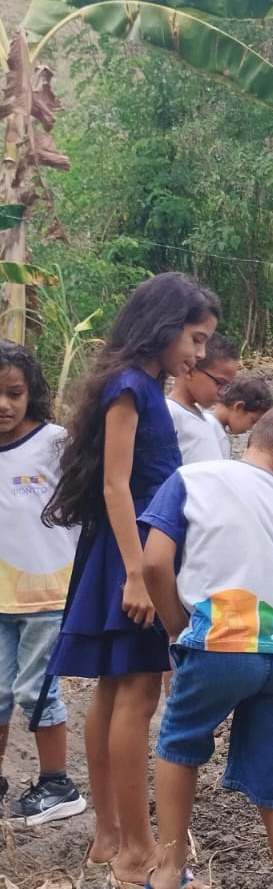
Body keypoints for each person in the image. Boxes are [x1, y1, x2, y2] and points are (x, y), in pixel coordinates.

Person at [44, 272, 220, 888]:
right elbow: (117, 484)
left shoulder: (137, 383)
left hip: (130, 550)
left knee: (115, 692)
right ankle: (136, 852)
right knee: (137, 695)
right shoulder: (131, 386)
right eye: (195, 339)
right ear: (164, 325)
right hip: (135, 552)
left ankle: (111, 835)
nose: (198, 354)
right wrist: (142, 574)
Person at [140, 405, 273, 889]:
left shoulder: (192, 478)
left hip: (221, 642)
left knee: (179, 744)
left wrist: (180, 632)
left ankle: (170, 869)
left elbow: (155, 565)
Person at [0, 342, 83, 823]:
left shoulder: (55, 442)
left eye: (14, 393)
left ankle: (57, 783)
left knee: (36, 690)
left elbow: (89, 498)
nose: (5, 405)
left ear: (30, 392)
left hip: (47, 594)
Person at [166, 331, 240, 463]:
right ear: (190, 371)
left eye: (227, 387)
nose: (222, 393)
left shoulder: (205, 419)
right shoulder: (169, 413)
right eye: (220, 383)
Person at [210, 373, 273, 440]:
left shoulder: (214, 430)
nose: (251, 428)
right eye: (253, 421)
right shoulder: (210, 431)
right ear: (239, 406)